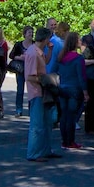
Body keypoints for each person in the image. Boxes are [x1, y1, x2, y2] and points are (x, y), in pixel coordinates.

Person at [24, 27, 61, 161]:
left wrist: (50, 50)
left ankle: (44, 150)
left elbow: (45, 62)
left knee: (47, 123)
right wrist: (46, 80)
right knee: (37, 124)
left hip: (42, 92)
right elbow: (30, 76)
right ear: (46, 39)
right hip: (37, 92)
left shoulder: (38, 51)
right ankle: (33, 153)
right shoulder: (33, 53)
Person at [55, 32, 88, 149]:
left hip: (63, 87)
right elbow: (82, 77)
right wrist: (85, 92)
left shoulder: (61, 56)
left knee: (64, 115)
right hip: (74, 89)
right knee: (71, 116)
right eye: (79, 40)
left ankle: (65, 141)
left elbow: (57, 71)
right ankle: (71, 141)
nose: (80, 41)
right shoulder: (79, 58)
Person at [9, 26, 33, 117]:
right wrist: (20, 57)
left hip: (31, 69)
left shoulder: (35, 44)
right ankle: (18, 110)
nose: (31, 34)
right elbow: (11, 55)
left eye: (32, 32)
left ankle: (31, 110)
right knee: (20, 90)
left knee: (31, 90)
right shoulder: (19, 44)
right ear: (24, 34)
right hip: (21, 69)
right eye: (29, 32)